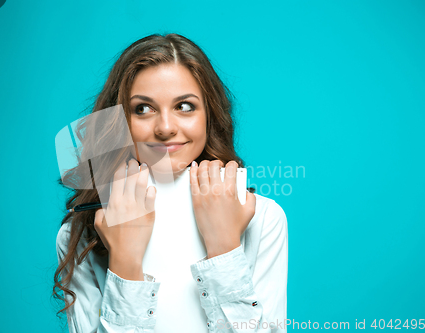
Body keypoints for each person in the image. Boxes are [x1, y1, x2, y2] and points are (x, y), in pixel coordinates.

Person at [53, 33, 288, 333]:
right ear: (120, 121)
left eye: (185, 106)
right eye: (143, 109)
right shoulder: (83, 231)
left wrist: (224, 249)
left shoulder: (263, 218)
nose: (165, 128)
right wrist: (124, 264)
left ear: (209, 116)